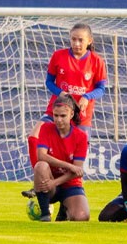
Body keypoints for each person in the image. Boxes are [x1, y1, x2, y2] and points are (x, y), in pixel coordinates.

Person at [25, 23, 106, 192]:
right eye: (73, 39)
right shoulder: (58, 56)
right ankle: (39, 182)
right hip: (57, 110)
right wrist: (60, 92)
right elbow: (49, 82)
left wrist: (87, 96)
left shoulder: (97, 61)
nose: (76, 43)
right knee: (34, 136)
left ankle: (72, 190)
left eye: (80, 40)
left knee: (75, 156)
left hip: (81, 115)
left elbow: (101, 88)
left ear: (89, 41)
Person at [28, 95, 89, 222]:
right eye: (55, 115)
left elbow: (77, 172)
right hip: (49, 183)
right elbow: (41, 155)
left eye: (63, 116)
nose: (58, 120)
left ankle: (64, 209)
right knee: (40, 166)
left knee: (81, 217)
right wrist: (69, 166)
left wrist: (54, 182)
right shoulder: (46, 128)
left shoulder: (81, 137)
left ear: (71, 114)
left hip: (69, 184)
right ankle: (45, 214)